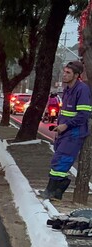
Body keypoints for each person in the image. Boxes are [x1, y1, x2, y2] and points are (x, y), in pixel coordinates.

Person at [40, 61, 92, 200]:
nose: (64, 74)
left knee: (61, 160)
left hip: (74, 133)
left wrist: (66, 126)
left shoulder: (82, 90)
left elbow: (83, 115)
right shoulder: (67, 90)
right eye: (64, 71)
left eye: (68, 73)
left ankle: (51, 191)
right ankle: (58, 191)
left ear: (76, 75)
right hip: (63, 132)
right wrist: (60, 127)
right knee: (58, 160)